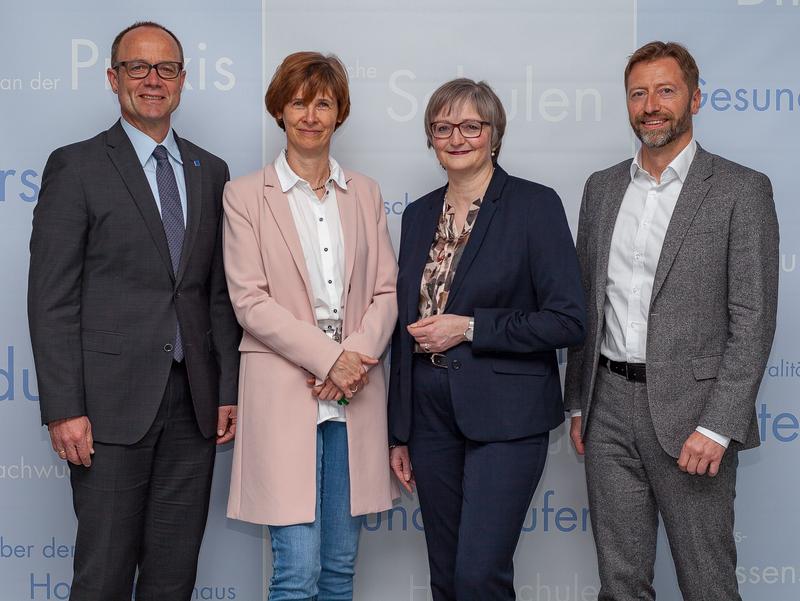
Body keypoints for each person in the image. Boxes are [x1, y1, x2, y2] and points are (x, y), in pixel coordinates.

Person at [27, 21, 241, 601]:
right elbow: (51, 299)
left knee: (174, 579)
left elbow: (215, 292)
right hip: (107, 409)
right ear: (113, 78)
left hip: (192, 405)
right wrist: (64, 408)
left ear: (182, 80)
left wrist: (226, 390)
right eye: (137, 68)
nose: (152, 80)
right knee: (103, 577)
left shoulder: (210, 170)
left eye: (165, 68)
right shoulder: (77, 167)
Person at [564, 41, 779, 601]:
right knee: (620, 583)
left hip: (695, 417)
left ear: (695, 98)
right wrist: (581, 402)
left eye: (665, 90)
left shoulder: (741, 189)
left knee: (707, 583)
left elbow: (753, 318)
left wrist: (719, 424)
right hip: (607, 405)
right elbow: (590, 301)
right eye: (638, 93)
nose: (650, 105)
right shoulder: (602, 188)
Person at [388, 78, 586, 601]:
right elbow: (399, 320)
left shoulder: (534, 205)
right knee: (446, 575)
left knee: (479, 577)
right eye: (443, 127)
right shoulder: (417, 215)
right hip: (428, 416)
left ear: (494, 135)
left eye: (471, 126)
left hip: (506, 415)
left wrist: (471, 327)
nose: (457, 137)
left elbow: (567, 320)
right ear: (430, 137)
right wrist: (398, 430)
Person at [223, 51, 398, 601]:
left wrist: (351, 361)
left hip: (355, 396)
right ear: (280, 110)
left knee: (340, 570)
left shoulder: (366, 193)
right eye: (298, 102)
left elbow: (386, 293)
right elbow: (250, 300)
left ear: (339, 112)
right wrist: (329, 359)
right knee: (296, 573)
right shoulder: (246, 195)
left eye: (323, 102)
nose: (310, 115)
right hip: (284, 391)